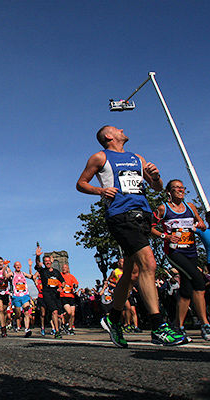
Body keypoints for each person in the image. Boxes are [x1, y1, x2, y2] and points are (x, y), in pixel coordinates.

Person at [77, 125, 186, 347]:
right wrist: (101, 191)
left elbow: (155, 188)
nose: (123, 129)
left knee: (132, 272)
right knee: (149, 262)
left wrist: (156, 177)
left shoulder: (137, 158)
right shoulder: (100, 157)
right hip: (120, 215)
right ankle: (159, 327)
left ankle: (113, 319)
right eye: (117, 129)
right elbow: (81, 183)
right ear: (109, 136)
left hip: (143, 215)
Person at [151, 179, 210, 341]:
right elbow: (149, 227)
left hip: (191, 251)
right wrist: (166, 236)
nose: (180, 190)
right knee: (198, 281)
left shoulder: (190, 206)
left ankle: (178, 326)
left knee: (186, 289)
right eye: (176, 188)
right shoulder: (163, 208)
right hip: (174, 252)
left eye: (182, 188)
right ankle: (205, 325)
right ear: (169, 192)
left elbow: (199, 222)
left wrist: (200, 224)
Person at [35, 249, 64, 339]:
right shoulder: (42, 271)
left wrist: (61, 287)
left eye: (48, 261)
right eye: (45, 261)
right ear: (44, 263)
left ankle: (57, 328)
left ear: (51, 261)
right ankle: (57, 331)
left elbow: (63, 281)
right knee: (54, 311)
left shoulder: (56, 272)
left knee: (59, 314)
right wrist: (37, 256)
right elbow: (37, 263)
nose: (47, 263)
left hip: (56, 294)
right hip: (47, 294)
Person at [11, 260, 35, 337]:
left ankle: (27, 329)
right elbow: (6, 276)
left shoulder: (23, 274)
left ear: (21, 266)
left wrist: (30, 266)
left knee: (26, 312)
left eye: (19, 265)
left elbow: (32, 277)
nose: (18, 266)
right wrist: (5, 268)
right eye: (16, 265)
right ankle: (15, 321)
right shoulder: (12, 274)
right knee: (18, 314)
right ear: (14, 267)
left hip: (25, 295)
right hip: (16, 296)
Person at [60, 264, 78, 335]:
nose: (64, 269)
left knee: (73, 314)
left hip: (71, 296)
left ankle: (70, 328)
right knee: (69, 312)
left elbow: (76, 283)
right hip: (64, 296)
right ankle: (65, 323)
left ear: (68, 269)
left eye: (65, 268)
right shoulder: (60, 275)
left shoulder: (71, 276)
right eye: (63, 268)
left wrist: (75, 286)